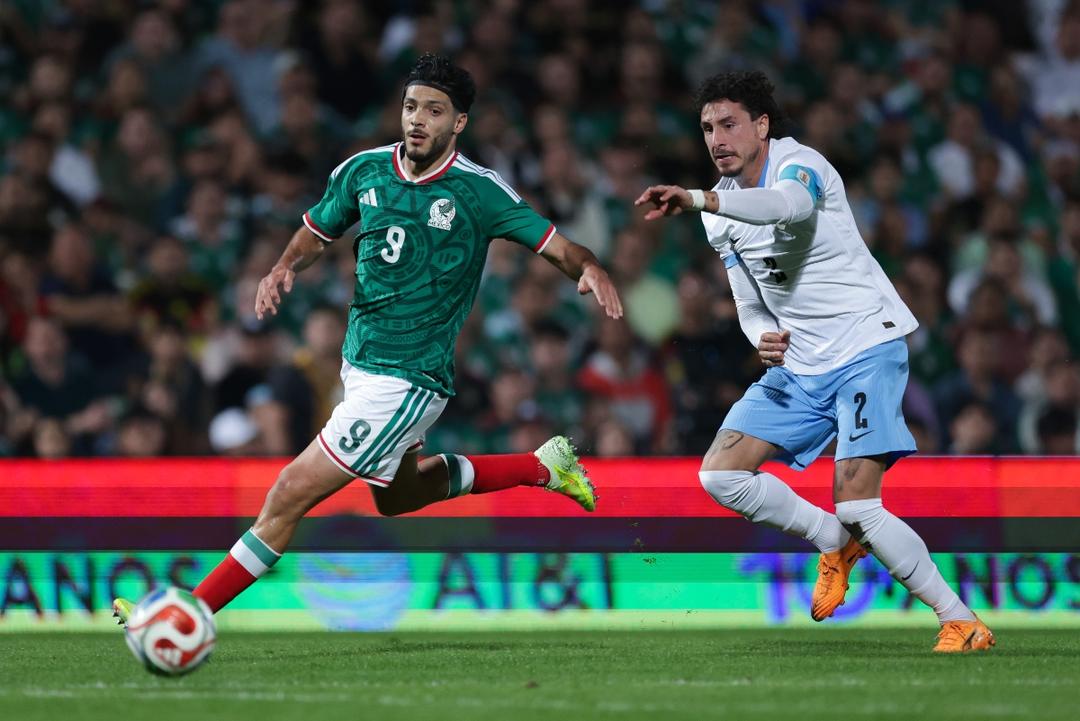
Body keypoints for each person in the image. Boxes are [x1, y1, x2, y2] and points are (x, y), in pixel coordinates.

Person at [112, 54, 622, 621]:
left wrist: (589, 268)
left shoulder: (480, 192)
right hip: (359, 367)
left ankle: (182, 616)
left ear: (459, 123)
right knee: (397, 496)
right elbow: (315, 229)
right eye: (410, 107)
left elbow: (558, 246)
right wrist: (284, 266)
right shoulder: (364, 170)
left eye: (434, 110)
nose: (417, 120)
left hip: (408, 379)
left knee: (287, 494)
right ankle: (541, 466)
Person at [635, 70, 993, 653]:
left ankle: (961, 620)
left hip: (864, 345)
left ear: (761, 125)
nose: (717, 138)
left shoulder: (801, 165)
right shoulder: (717, 215)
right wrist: (760, 335)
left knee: (860, 502)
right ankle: (834, 540)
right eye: (706, 128)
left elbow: (789, 207)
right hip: (800, 364)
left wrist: (700, 195)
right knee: (720, 475)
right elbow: (748, 299)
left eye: (729, 124)